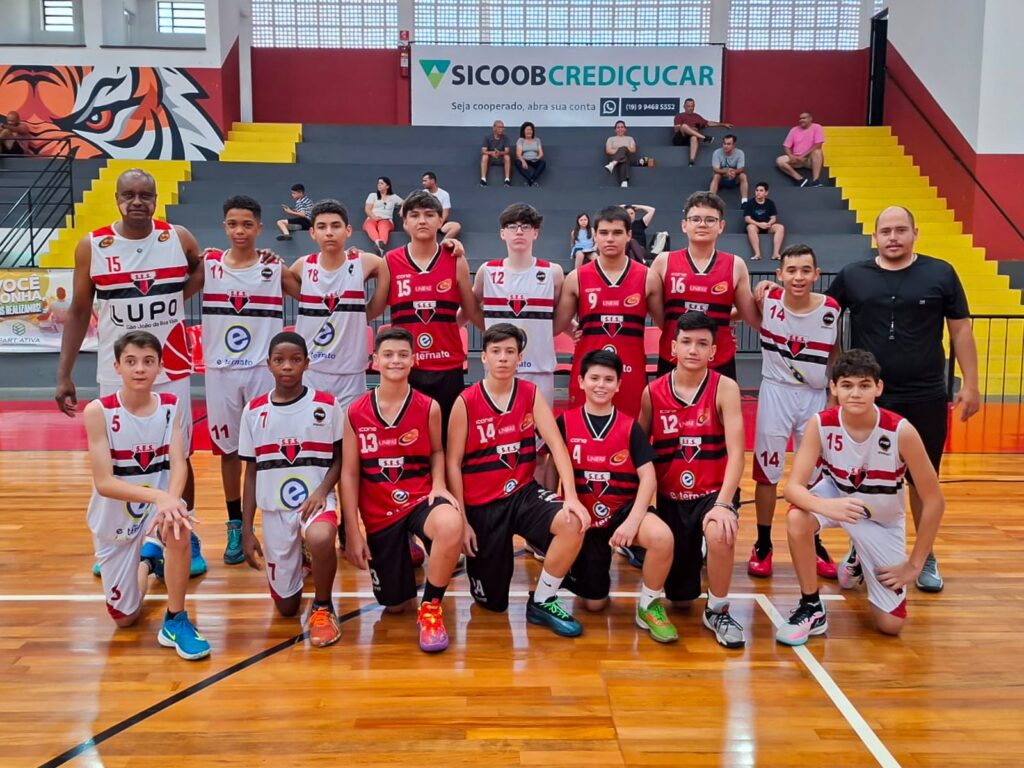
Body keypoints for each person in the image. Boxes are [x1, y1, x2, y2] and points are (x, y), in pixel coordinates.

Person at [56, 168, 207, 578]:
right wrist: (64, 373)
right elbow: (79, 311)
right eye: (129, 195)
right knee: (119, 461)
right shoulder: (93, 245)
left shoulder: (178, 238)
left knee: (179, 456)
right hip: (116, 369)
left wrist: (177, 296)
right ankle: (121, 540)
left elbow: (201, 268)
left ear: (156, 198)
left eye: (146, 195)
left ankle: (184, 533)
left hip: (171, 364)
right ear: (117, 199)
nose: (137, 202)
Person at [823, 205, 979, 591]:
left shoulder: (941, 273)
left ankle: (924, 556)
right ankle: (861, 549)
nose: (893, 237)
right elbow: (822, 319)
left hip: (926, 394)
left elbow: (961, 330)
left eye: (900, 230)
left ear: (914, 233)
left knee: (923, 481)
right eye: (886, 231)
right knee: (864, 479)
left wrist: (971, 384)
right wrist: (836, 375)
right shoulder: (853, 275)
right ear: (875, 236)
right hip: (869, 399)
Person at [777, 349, 944, 644]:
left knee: (890, 625)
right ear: (833, 388)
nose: (855, 393)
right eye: (847, 385)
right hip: (838, 497)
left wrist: (915, 564)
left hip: (882, 520)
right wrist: (826, 506)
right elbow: (792, 488)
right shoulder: (821, 424)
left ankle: (859, 557)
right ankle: (811, 606)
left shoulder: (901, 431)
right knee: (797, 518)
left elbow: (934, 501)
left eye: (864, 385)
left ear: (878, 388)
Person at [446, 323, 589, 637]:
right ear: (483, 357)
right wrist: (463, 520)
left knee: (573, 522)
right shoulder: (465, 402)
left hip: (523, 494)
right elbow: (452, 464)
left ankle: (543, 600)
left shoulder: (530, 393)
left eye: (510, 352)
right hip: (483, 505)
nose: (503, 358)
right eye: (496, 351)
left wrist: (572, 496)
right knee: (491, 604)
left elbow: (556, 444)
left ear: (519, 358)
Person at [83, 330, 210, 660]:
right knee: (125, 618)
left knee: (179, 527)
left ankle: (175, 620)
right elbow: (104, 482)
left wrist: (171, 501)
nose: (139, 368)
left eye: (148, 361)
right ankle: (148, 560)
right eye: (131, 361)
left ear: (160, 367)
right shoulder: (98, 411)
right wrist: (159, 498)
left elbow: (178, 463)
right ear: (116, 367)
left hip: (157, 510)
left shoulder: (170, 405)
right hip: (115, 518)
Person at [341, 327, 464, 653]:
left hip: (419, 497)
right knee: (395, 606)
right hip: (379, 512)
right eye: (388, 355)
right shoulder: (355, 411)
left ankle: (431, 609)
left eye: (402, 355)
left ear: (414, 360)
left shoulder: (429, 407)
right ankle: (407, 550)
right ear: (375, 360)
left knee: (451, 523)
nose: (395, 360)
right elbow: (349, 473)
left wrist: (439, 484)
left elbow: (436, 451)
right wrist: (352, 530)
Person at [639, 311, 746, 649]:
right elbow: (639, 454)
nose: (693, 350)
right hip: (671, 497)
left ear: (713, 351)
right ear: (672, 347)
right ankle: (693, 554)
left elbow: (738, 454)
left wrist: (724, 504)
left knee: (720, 532)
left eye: (702, 344)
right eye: (686, 342)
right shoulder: (652, 392)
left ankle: (718, 609)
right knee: (680, 599)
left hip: (713, 492)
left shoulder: (725, 388)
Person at [202, 195, 298, 565]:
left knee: (270, 451)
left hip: (262, 370)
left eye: (246, 224)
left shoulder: (273, 268)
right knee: (229, 452)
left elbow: (314, 293)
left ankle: (281, 524)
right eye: (232, 224)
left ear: (259, 228)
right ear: (224, 226)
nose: (239, 230)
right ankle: (235, 525)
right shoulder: (209, 266)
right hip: (221, 371)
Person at [560, 349, 679, 643]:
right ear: (581, 381)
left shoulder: (630, 427)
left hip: (622, 511)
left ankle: (649, 606)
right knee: (594, 605)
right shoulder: (565, 422)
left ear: (618, 385)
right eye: (594, 378)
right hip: (586, 518)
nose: (601, 385)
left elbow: (649, 478)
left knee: (662, 537)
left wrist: (633, 521)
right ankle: (588, 568)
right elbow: (552, 470)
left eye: (608, 379)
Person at [239, 331, 344, 648]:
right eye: (280, 360)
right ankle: (302, 556)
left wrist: (322, 491)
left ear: (307, 363)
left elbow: (340, 458)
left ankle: (323, 607)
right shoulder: (254, 411)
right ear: (268, 364)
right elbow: (251, 472)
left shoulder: (326, 405)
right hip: (275, 508)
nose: (287, 366)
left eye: (295, 360)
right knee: (286, 609)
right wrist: (246, 529)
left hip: (315, 501)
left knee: (322, 537)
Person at [748, 245, 840, 580]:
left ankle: (812, 541)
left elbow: (835, 352)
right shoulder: (769, 301)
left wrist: (833, 396)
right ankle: (762, 544)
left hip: (814, 395)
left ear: (817, 274)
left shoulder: (831, 309)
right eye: (791, 270)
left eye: (805, 270)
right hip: (776, 391)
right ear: (780, 274)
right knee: (766, 472)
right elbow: (735, 313)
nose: (798, 277)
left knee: (812, 475)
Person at [379, 190, 479, 440]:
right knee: (409, 438)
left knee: (448, 438)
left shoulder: (456, 260)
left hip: (447, 365)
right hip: (407, 366)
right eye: (414, 215)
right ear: (405, 222)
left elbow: (472, 311)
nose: (422, 220)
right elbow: (374, 309)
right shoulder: (390, 261)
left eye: (429, 214)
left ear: (440, 221)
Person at [555, 206, 664, 419]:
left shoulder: (648, 277)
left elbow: (667, 325)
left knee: (632, 431)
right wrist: (573, 329)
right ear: (595, 236)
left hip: (631, 369)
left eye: (617, 232)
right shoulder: (577, 277)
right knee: (582, 430)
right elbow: (557, 325)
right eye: (604, 233)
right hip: (588, 369)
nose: (610, 239)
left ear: (629, 235)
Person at [289, 199, 389, 411]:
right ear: (312, 233)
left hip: (351, 372)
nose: (329, 233)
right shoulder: (302, 265)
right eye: (321, 227)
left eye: (335, 226)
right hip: (311, 370)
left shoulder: (364, 262)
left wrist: (363, 314)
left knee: (347, 430)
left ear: (348, 230)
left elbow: (390, 268)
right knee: (311, 429)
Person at [650, 191, 761, 380]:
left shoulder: (735, 264)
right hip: (673, 357)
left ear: (721, 226)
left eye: (710, 220)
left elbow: (751, 316)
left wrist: (768, 297)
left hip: (719, 359)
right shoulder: (664, 261)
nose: (702, 224)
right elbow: (655, 311)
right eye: (695, 219)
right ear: (684, 225)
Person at [472, 203, 562, 408]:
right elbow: (469, 310)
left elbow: (557, 315)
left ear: (535, 233)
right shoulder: (487, 271)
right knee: (498, 422)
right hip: (499, 366)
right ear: (502, 233)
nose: (519, 231)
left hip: (539, 368)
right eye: (512, 226)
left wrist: (576, 330)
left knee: (540, 426)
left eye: (526, 226)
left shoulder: (552, 272)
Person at [672, 98, 733, 166]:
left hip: (690, 140)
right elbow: (676, 130)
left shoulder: (697, 116)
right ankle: (704, 138)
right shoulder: (679, 116)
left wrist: (723, 124)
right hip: (680, 139)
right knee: (684, 126)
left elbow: (708, 123)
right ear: (684, 106)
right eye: (688, 106)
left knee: (694, 138)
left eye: (692, 106)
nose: (691, 108)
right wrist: (690, 128)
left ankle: (691, 162)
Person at [776, 112, 825, 187]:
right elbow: (786, 146)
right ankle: (800, 179)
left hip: (809, 160)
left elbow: (818, 144)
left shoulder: (817, 127)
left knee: (818, 152)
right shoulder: (794, 130)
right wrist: (791, 156)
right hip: (796, 160)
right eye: (800, 118)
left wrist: (802, 156)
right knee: (780, 160)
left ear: (810, 119)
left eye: (804, 118)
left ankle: (816, 181)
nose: (801, 120)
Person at [362, 176, 404, 256]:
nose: (379, 185)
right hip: (372, 218)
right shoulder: (373, 195)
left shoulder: (393, 197)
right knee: (369, 225)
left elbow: (405, 203)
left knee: (383, 226)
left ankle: (380, 246)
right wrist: (374, 218)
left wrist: (402, 209)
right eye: (378, 183)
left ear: (387, 186)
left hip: (386, 220)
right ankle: (379, 243)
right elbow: (367, 209)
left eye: (381, 183)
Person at [743, 182, 785, 261]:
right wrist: (759, 224)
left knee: (780, 227)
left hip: (767, 226)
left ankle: (775, 254)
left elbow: (773, 218)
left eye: (761, 190)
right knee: (750, 227)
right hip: (756, 226)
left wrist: (769, 223)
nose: (758, 192)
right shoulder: (750, 203)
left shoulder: (770, 203)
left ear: (766, 193)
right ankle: (757, 254)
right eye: (757, 190)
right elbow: (747, 219)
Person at [709, 134, 749, 202]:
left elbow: (741, 168)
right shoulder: (717, 152)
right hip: (722, 178)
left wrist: (733, 172)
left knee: (743, 176)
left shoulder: (740, 153)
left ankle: (744, 201)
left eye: (728, 144)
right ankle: (711, 200)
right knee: (716, 176)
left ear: (734, 145)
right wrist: (726, 172)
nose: (725, 146)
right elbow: (715, 169)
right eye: (724, 144)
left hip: (734, 178)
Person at [421, 171, 462, 239]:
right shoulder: (422, 193)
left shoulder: (444, 194)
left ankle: (443, 243)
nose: (423, 183)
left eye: (425, 181)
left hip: (439, 222)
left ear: (432, 181)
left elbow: (445, 212)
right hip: (426, 222)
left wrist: (439, 223)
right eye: (423, 181)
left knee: (456, 226)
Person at [604, 120, 636, 188]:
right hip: (614, 157)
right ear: (615, 130)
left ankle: (612, 164)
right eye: (618, 127)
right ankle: (624, 182)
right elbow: (608, 150)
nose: (620, 129)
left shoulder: (630, 138)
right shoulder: (610, 139)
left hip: (629, 158)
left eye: (622, 127)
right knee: (624, 158)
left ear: (625, 129)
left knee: (623, 149)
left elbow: (633, 150)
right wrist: (621, 152)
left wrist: (622, 149)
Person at [480, 119, 512, 187]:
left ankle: (507, 180)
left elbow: (507, 151)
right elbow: (483, 150)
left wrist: (500, 153)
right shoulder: (487, 137)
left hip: (500, 158)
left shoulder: (505, 138)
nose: (502, 129)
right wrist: (491, 153)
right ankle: (483, 180)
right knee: (484, 156)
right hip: (491, 158)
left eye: (502, 127)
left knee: (507, 157)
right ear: (494, 128)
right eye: (500, 127)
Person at [515, 121, 546, 187]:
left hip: (535, 159)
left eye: (531, 130)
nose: (529, 131)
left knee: (543, 163)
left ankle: (530, 180)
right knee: (517, 162)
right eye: (527, 130)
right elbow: (518, 154)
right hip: (525, 159)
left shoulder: (537, 140)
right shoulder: (521, 140)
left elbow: (541, 153)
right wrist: (523, 161)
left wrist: (537, 158)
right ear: (524, 131)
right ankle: (532, 181)